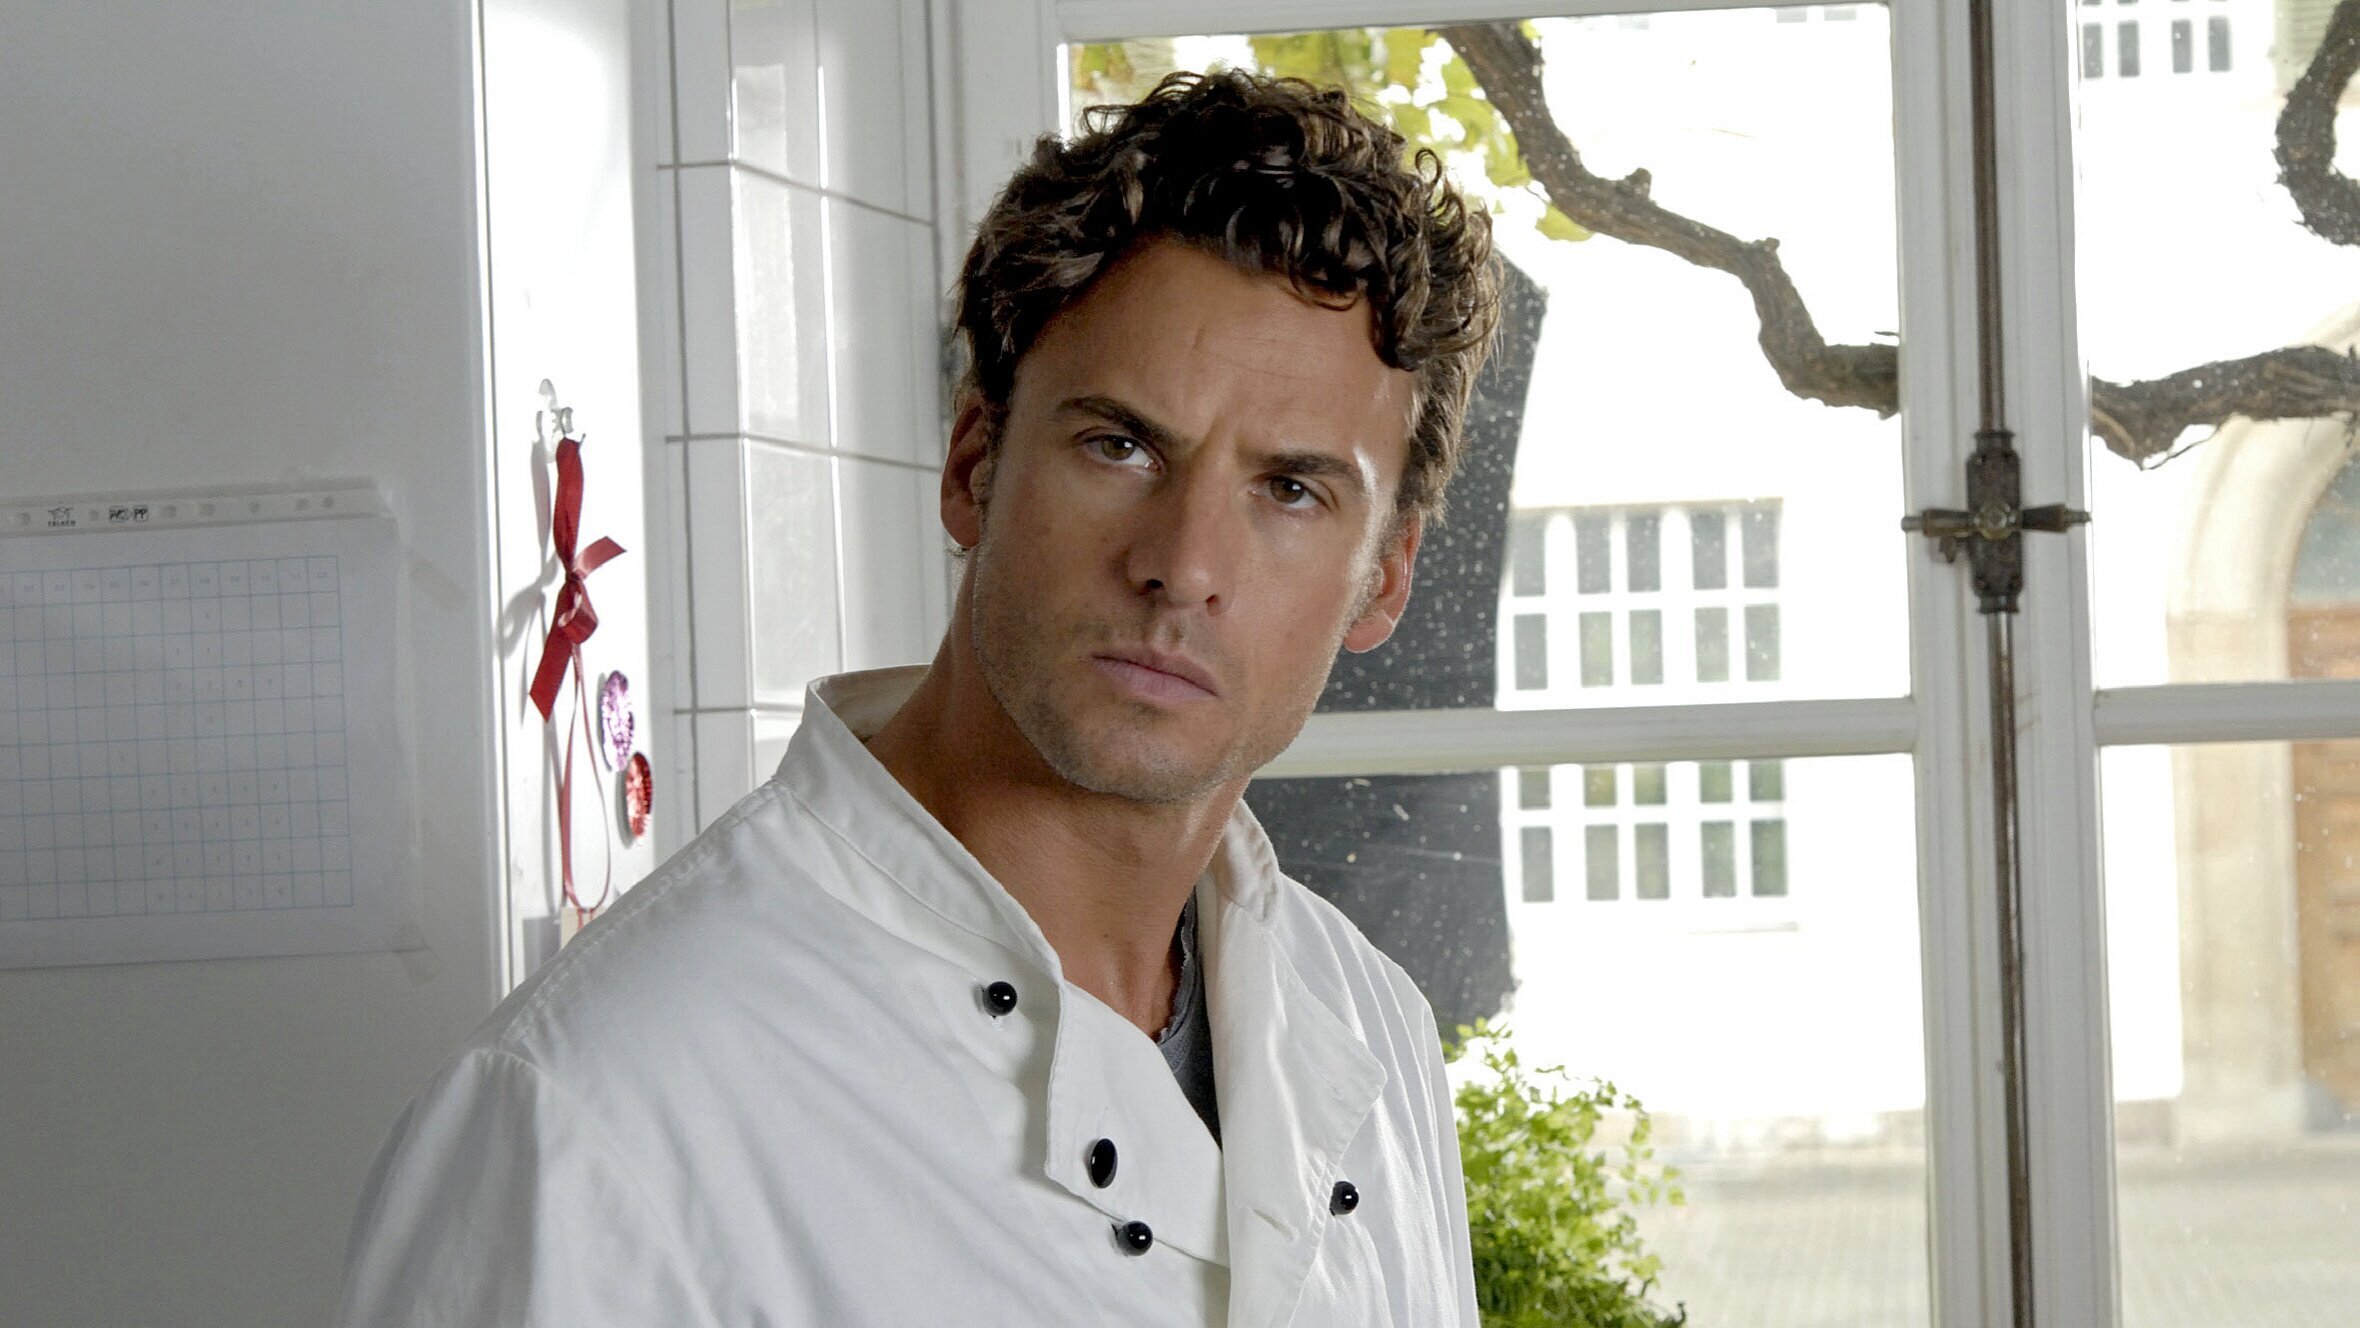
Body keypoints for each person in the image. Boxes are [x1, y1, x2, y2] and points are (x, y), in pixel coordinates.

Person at [336, 69, 1500, 1326]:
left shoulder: (1371, 1026)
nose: (1183, 562)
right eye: (1118, 445)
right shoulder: (590, 1113)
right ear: (971, 463)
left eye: (1290, 490)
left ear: (1382, 578)